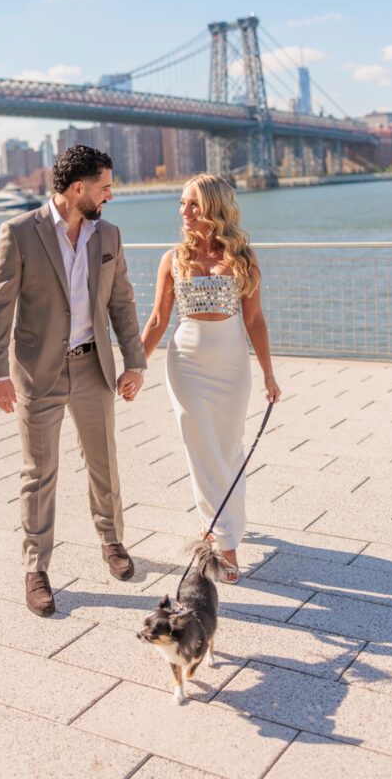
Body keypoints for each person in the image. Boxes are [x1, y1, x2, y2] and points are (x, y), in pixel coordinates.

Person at [0, 145, 147, 616]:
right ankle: (36, 567)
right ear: (79, 188)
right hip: (38, 373)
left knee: (105, 462)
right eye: (105, 187)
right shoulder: (18, 233)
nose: (110, 195)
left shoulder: (109, 235)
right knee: (39, 472)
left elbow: (122, 302)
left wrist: (133, 362)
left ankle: (112, 540)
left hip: (94, 367)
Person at [141, 173, 280, 583]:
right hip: (187, 363)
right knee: (200, 447)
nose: (184, 212)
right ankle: (226, 543)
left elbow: (254, 320)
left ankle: (218, 523)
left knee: (228, 446)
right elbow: (157, 320)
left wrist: (269, 374)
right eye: (182, 203)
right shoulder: (173, 259)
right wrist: (134, 366)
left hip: (232, 363)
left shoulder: (243, 258)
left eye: (193, 204)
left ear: (215, 209)